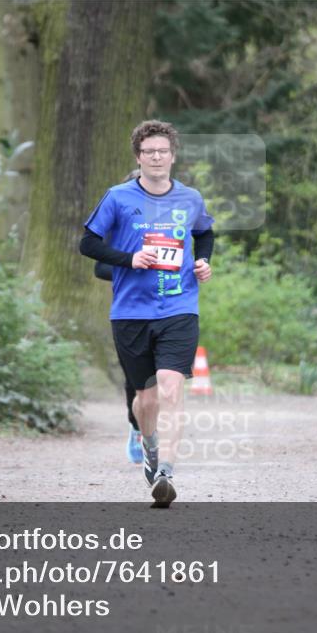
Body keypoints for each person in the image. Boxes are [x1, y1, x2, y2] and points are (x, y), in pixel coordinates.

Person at [80, 120, 214, 507]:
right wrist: (130, 259)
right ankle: (148, 440)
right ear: (138, 157)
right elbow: (87, 244)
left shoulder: (190, 198)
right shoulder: (118, 197)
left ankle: (166, 472)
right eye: (149, 152)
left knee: (172, 386)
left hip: (179, 306)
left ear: (173, 156)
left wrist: (203, 261)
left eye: (163, 151)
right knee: (146, 399)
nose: (156, 157)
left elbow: (204, 233)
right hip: (131, 312)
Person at [94, 170, 144, 465]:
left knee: (166, 374)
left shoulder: (170, 222)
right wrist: (133, 265)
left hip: (168, 308)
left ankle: (156, 428)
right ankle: (137, 427)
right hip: (130, 309)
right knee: (134, 377)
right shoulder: (117, 224)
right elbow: (99, 268)